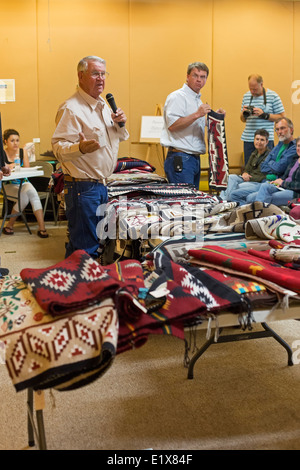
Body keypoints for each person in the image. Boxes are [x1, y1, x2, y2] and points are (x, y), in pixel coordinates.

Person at [51, 55, 129, 259]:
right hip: (82, 188)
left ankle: (70, 284)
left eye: (103, 74)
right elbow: (58, 148)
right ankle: (84, 287)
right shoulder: (71, 108)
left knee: (84, 244)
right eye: (95, 73)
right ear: (81, 76)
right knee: (87, 248)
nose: (101, 78)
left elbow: (117, 139)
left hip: (101, 186)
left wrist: (120, 124)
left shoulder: (103, 106)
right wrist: (80, 148)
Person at [160, 62, 225, 189]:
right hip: (181, 157)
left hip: (193, 158)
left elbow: (195, 125)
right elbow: (172, 125)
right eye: (195, 75)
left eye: (203, 77)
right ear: (187, 76)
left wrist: (216, 118)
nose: (199, 80)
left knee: (192, 203)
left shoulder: (196, 99)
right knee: (184, 202)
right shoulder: (177, 97)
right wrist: (197, 114)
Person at [231, 118, 297, 206]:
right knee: (234, 194)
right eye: (277, 129)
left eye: (282, 128)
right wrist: (273, 164)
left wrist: (271, 163)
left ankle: (254, 214)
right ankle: (240, 210)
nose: (279, 132)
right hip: (267, 181)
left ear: (291, 129)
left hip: (277, 184)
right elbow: (263, 167)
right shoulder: (279, 144)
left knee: (249, 197)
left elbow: (279, 168)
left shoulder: (295, 147)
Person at [2, 129, 49, 237]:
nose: (15, 143)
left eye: (17, 140)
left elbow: (27, 169)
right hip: (9, 184)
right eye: (12, 140)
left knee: (33, 194)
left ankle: (42, 228)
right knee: (23, 197)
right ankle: (10, 225)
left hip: (23, 182)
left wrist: (14, 166)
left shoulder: (23, 152)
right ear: (6, 141)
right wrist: (10, 166)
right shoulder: (2, 154)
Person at [240, 74, 285, 164]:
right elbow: (242, 119)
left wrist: (264, 115)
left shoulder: (273, 96)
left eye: (255, 89)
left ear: (262, 84)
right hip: (249, 139)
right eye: (250, 89)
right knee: (249, 168)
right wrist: (244, 113)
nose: (252, 91)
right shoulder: (246, 96)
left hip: (266, 139)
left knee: (267, 166)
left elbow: (282, 117)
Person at [220, 129, 270, 202]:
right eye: (257, 139)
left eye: (262, 140)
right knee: (231, 177)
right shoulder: (254, 153)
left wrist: (249, 178)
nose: (259, 142)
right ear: (254, 140)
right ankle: (222, 200)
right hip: (247, 179)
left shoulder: (269, 155)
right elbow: (247, 168)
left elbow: (264, 175)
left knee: (237, 186)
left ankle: (225, 201)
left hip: (257, 183)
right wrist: (245, 173)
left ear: (267, 142)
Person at [253, 137, 300, 207]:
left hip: (295, 193)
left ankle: (258, 214)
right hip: (283, 187)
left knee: (266, 198)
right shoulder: (295, 160)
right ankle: (258, 212)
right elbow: (285, 176)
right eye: (298, 146)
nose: (299, 148)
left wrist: (283, 183)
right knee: (263, 187)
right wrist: (278, 181)